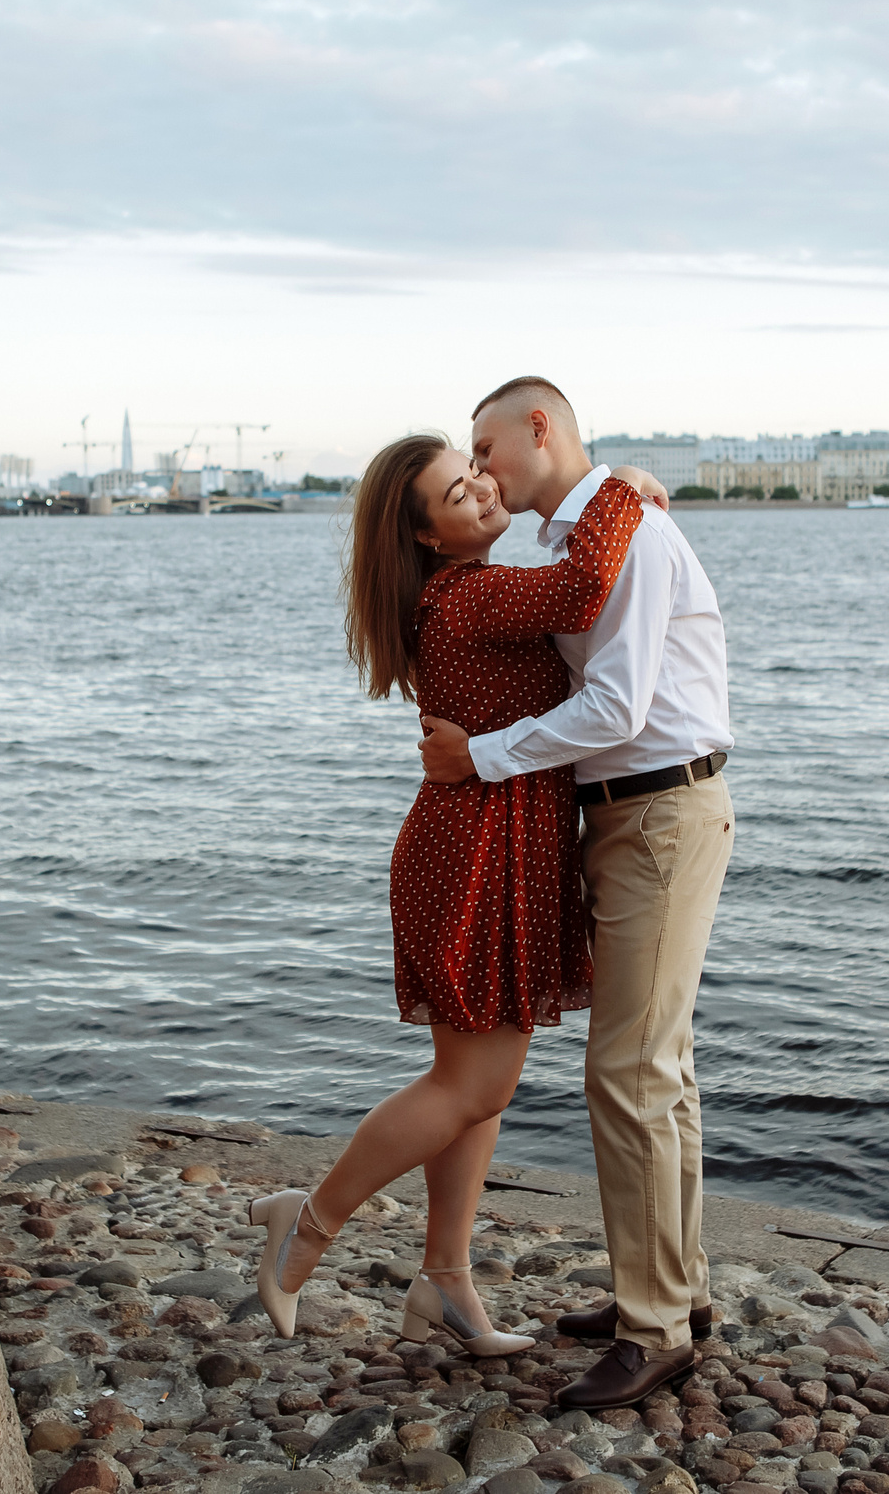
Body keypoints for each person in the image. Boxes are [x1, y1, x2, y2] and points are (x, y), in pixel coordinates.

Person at [244, 434, 666, 1354]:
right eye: (454, 489)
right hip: (475, 855)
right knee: (475, 1080)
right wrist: (623, 488)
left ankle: (445, 1282)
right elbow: (583, 587)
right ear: (430, 535)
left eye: (475, 470)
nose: (479, 487)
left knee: (476, 1091)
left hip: (482, 847)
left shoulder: (458, 593)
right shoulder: (473, 593)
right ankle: (304, 1225)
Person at [417, 376, 735, 1413]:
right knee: (661, 1072)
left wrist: (483, 759)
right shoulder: (573, 539)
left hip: (658, 815)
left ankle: (654, 1330)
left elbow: (616, 703)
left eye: (485, 446)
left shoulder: (625, 530)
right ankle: (672, 1296)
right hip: (632, 818)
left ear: (537, 429)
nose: (480, 468)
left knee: (631, 1073)